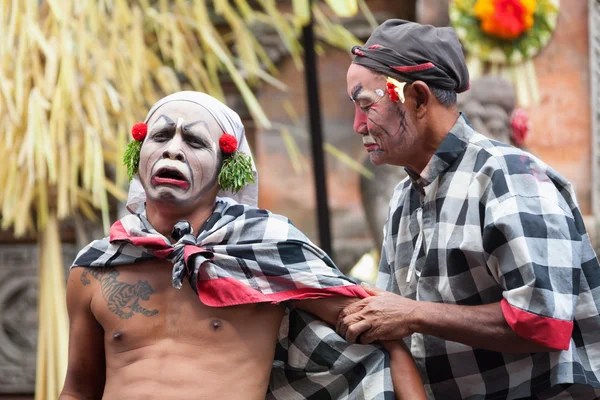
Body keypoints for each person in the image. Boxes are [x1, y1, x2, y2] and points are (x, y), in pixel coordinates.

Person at [59, 91, 426, 400]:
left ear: (226, 168)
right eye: (160, 136)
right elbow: (78, 388)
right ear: (138, 155)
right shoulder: (95, 268)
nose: (173, 150)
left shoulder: (267, 248)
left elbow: (382, 336)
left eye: (194, 141)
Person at [337, 19, 600, 399]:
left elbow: (543, 322)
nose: (358, 125)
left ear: (419, 98)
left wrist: (412, 314)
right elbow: (391, 323)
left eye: (366, 105)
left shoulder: (509, 176)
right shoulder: (402, 198)